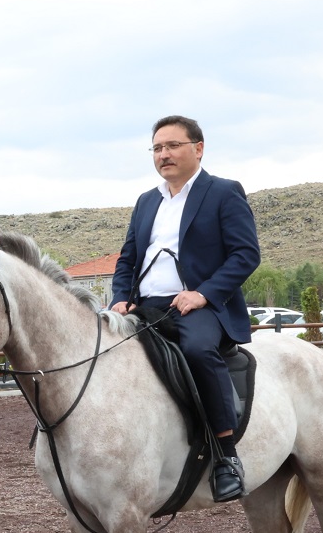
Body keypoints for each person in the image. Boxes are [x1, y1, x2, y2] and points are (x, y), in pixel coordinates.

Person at [109, 115, 260, 503]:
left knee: (197, 351)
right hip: (144, 308)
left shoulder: (224, 192)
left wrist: (203, 294)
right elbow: (127, 260)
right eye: (158, 148)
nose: (164, 154)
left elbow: (246, 255)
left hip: (200, 307)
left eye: (173, 145)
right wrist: (119, 298)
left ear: (198, 148)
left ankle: (226, 456)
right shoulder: (146, 202)